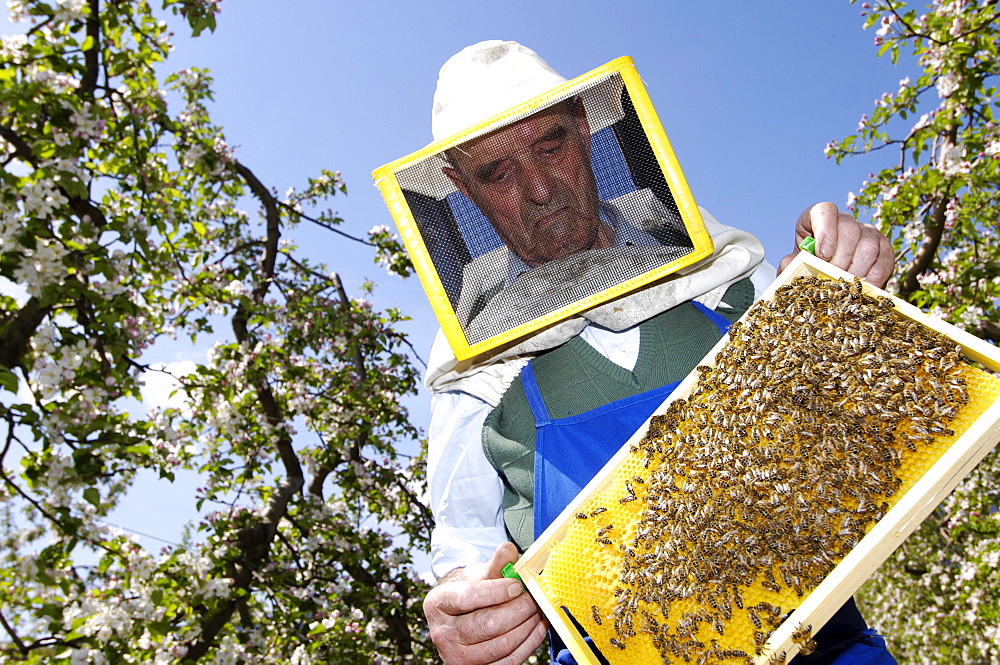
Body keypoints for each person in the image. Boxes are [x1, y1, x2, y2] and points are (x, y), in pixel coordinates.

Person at [421, 41, 896, 665]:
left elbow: (850, 424)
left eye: (550, 145)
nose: (538, 187)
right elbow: (466, 541)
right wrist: (463, 606)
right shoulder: (472, 368)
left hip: (822, 646)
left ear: (586, 128)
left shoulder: (727, 280)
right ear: (460, 187)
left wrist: (841, 280)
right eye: (497, 172)